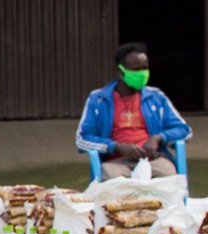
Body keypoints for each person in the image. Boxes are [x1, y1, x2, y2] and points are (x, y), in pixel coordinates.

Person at [77, 42, 192, 180]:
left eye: (145, 68)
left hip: (152, 160)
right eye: (136, 70)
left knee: (169, 177)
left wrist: (158, 138)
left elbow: (184, 130)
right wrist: (116, 147)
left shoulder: (156, 97)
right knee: (112, 182)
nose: (142, 74)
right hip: (116, 162)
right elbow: (83, 139)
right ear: (121, 71)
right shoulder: (98, 100)